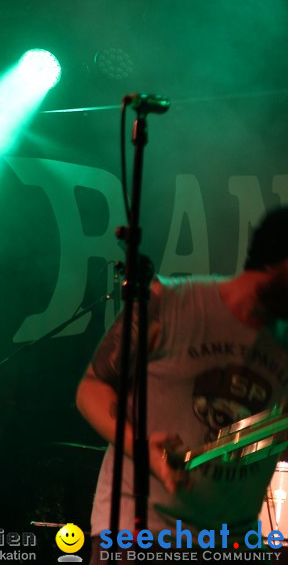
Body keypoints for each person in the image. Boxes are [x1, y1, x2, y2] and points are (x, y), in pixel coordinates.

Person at [76, 206, 288, 541]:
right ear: (278, 261)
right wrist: (143, 450)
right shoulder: (172, 303)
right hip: (144, 531)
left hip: (234, 539)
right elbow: (91, 389)